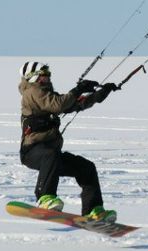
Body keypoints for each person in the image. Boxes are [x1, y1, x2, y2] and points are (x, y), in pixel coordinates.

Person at [18, 61, 119, 220]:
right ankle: (45, 198)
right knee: (50, 154)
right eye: (43, 78)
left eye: (48, 76)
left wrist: (98, 96)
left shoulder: (46, 94)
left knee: (87, 168)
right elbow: (58, 105)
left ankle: (94, 211)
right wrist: (78, 89)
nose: (47, 80)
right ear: (33, 78)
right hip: (32, 151)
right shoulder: (32, 92)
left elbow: (71, 104)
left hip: (52, 156)